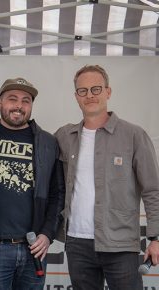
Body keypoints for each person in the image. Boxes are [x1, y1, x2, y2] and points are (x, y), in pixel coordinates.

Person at [54, 64, 159, 290]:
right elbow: (36, 149)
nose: (89, 95)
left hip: (120, 245)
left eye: (96, 89)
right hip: (77, 244)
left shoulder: (134, 135)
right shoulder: (64, 136)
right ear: (76, 96)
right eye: (83, 91)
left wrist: (156, 238)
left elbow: (153, 190)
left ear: (108, 92)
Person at [0, 78, 65, 290]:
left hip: (34, 248)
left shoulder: (48, 142)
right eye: (12, 99)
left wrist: (47, 234)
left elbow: (57, 194)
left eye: (26, 101)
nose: (19, 106)